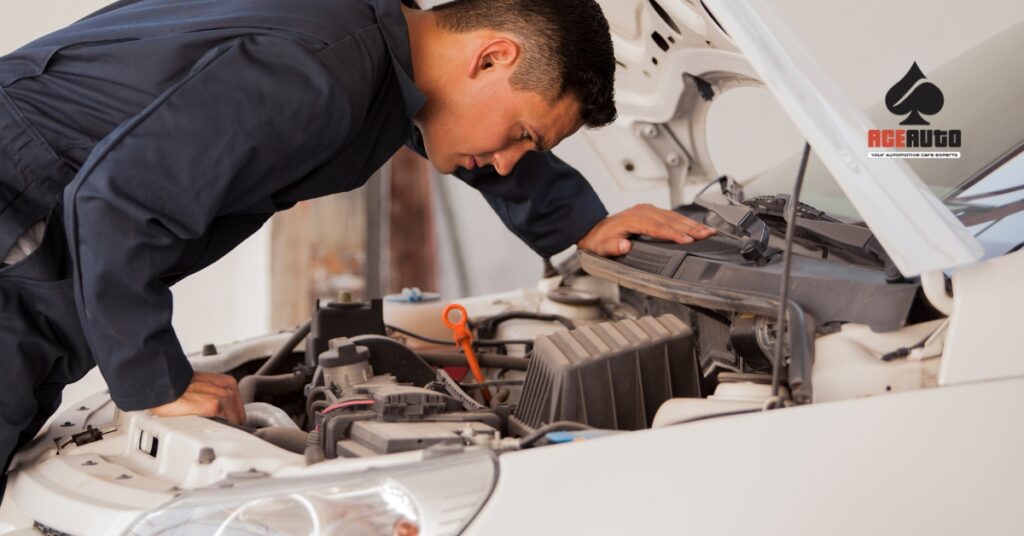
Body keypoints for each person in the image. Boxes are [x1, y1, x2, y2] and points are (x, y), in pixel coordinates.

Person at [0, 0, 714, 497]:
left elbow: (450, 129)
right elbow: (118, 198)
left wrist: (576, 226)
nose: (506, 160)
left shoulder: (373, 44)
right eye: (524, 132)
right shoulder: (320, 71)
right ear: (492, 55)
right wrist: (155, 380)